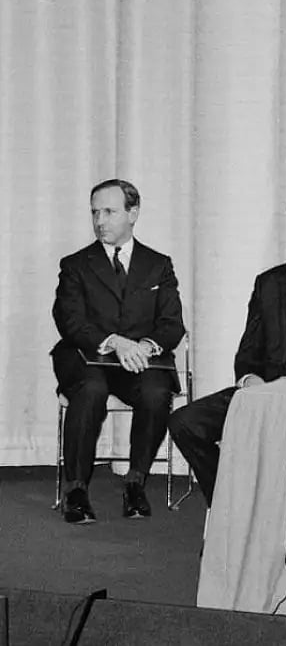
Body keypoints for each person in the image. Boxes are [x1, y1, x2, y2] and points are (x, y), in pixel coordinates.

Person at [167, 184, 286, 506]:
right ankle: (231, 507)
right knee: (185, 422)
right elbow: (249, 349)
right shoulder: (269, 281)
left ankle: (263, 513)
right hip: (262, 393)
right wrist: (249, 379)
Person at [51, 179, 186, 523]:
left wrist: (145, 346)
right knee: (91, 390)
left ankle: (135, 483)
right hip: (86, 359)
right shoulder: (75, 264)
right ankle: (76, 490)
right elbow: (69, 321)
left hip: (140, 361)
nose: (100, 221)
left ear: (133, 213)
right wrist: (114, 341)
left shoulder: (158, 265)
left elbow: (172, 324)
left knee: (156, 393)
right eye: (95, 212)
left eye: (109, 212)